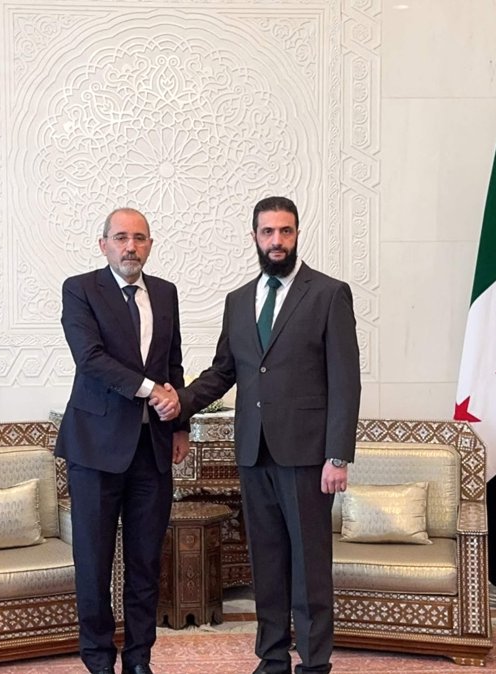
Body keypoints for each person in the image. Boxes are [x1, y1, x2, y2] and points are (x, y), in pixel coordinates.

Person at [164, 196, 360, 674]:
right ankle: (271, 659)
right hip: (253, 452)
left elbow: (345, 379)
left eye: (285, 231)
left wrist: (338, 455)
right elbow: (223, 371)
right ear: (254, 236)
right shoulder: (238, 300)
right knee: (267, 563)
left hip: (308, 455)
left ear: (297, 234)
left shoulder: (329, 294)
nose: (277, 241)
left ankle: (314, 664)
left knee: (309, 566)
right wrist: (179, 403)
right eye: (268, 232)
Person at [55, 207, 189, 674]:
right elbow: (90, 358)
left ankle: (138, 661)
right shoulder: (80, 289)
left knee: (145, 565)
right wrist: (153, 390)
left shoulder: (167, 293)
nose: (130, 246)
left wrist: (181, 425)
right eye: (120, 238)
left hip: (152, 451)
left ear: (149, 245)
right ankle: (97, 661)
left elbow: (172, 363)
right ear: (104, 244)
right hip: (94, 448)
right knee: (92, 564)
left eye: (139, 238)